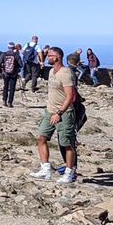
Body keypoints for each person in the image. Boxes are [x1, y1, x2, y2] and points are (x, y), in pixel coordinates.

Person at [29, 46, 79, 184]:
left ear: (57, 57)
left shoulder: (66, 73)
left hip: (64, 113)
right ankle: (45, 169)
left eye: (49, 55)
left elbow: (70, 96)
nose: (47, 57)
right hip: (49, 111)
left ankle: (69, 173)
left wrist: (59, 113)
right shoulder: (51, 71)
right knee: (41, 138)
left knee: (66, 144)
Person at [0, 41, 21, 108]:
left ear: (8, 47)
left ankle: (4, 100)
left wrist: (1, 69)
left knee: (5, 87)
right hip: (14, 74)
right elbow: (21, 64)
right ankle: (10, 102)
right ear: (13, 47)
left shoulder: (4, 54)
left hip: (5, 73)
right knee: (12, 88)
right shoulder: (16, 55)